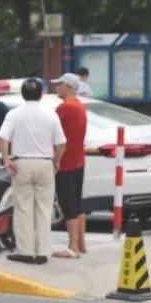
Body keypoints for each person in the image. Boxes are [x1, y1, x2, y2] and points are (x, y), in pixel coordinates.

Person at [0, 79, 64, 265]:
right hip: (45, 163)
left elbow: (3, 137)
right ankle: (43, 251)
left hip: (22, 163)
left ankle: (26, 251)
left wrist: (6, 159)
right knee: (44, 208)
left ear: (23, 94)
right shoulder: (50, 114)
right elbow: (61, 143)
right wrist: (56, 161)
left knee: (23, 208)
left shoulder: (14, 114)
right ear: (41, 94)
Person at [51, 73, 88, 260]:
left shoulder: (64, 108)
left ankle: (72, 246)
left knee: (67, 204)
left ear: (68, 87)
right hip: (79, 160)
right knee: (77, 202)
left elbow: (54, 135)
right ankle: (81, 242)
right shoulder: (81, 107)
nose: (57, 87)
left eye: (59, 84)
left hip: (65, 162)